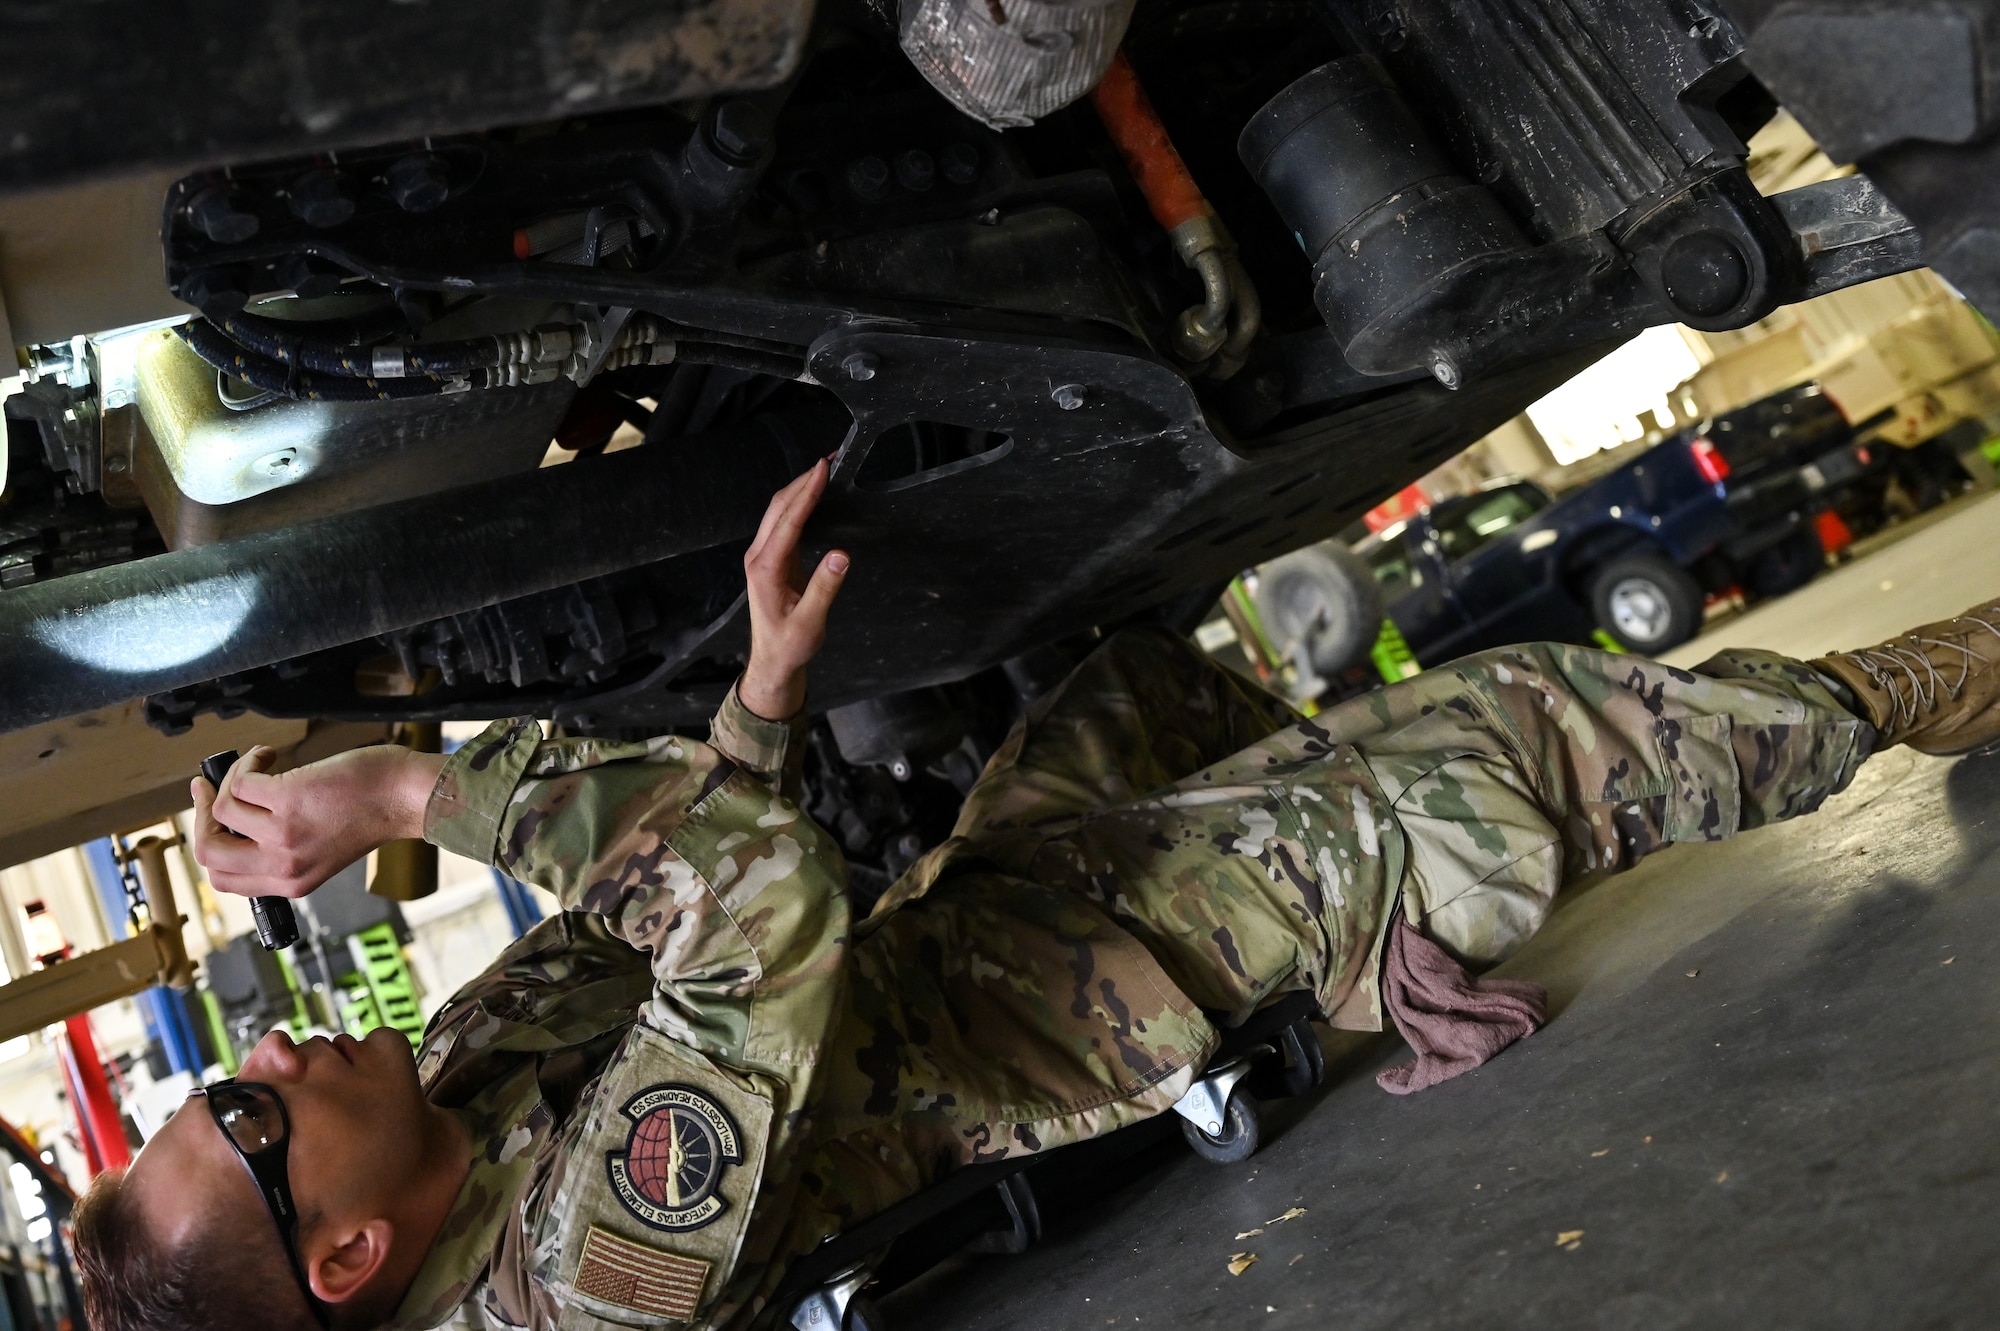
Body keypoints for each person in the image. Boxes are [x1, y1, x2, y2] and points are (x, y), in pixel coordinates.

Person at [70, 457, 2000, 1331]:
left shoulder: (456, 1108)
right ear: (346, 1263)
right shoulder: (576, 1293)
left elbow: (650, 923)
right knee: (1533, 751)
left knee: (1130, 680)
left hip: (953, 942)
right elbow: (749, 922)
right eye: (244, 1119)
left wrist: (750, 703)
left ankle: (1346, 918)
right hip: (1059, 1021)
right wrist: (418, 783)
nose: (277, 1060)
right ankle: (1913, 686)